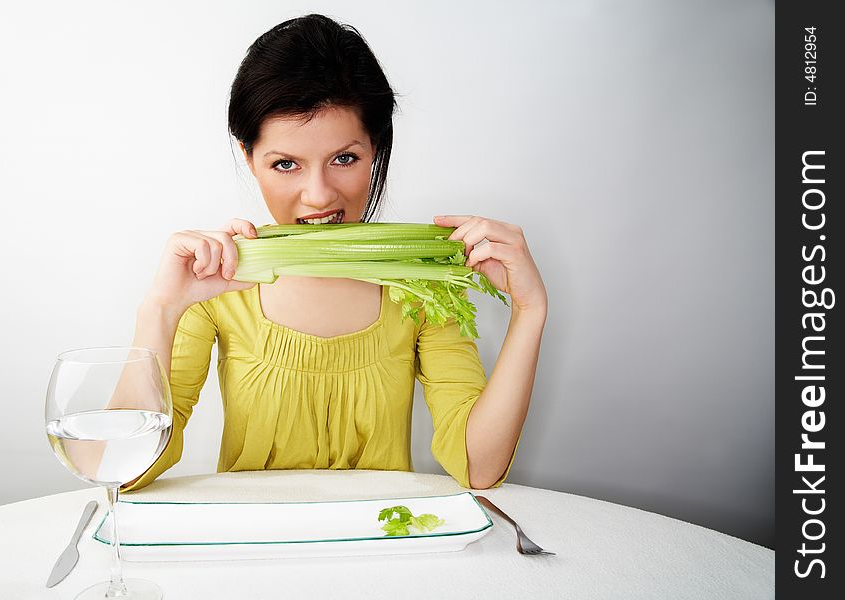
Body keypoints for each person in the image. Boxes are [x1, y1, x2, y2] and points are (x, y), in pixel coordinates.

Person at [122, 14, 548, 492]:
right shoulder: (219, 278)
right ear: (248, 157)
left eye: (344, 158)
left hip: (382, 546)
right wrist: (159, 309)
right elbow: (126, 469)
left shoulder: (422, 279)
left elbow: (478, 467)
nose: (319, 195)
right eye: (285, 164)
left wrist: (530, 311)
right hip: (254, 551)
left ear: (377, 148)